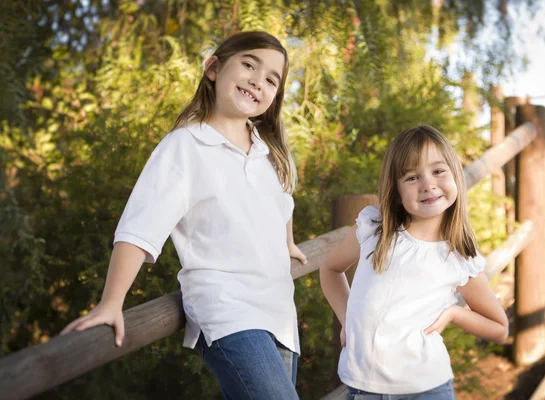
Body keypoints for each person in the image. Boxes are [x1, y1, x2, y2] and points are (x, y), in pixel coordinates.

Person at [61, 31, 306, 400]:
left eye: (272, 79)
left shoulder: (269, 152)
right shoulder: (184, 147)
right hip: (230, 314)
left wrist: (286, 243)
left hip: (280, 313)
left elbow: (281, 203)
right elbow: (139, 228)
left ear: (275, 97)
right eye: (249, 64)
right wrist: (112, 301)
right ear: (213, 68)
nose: (259, 80)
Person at [320, 125, 509, 400]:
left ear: (455, 174)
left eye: (438, 171)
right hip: (362, 388)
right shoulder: (375, 229)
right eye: (411, 177)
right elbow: (330, 269)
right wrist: (347, 318)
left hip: (426, 390)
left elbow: (500, 327)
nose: (428, 184)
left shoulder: (457, 256)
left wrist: (455, 313)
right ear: (395, 190)